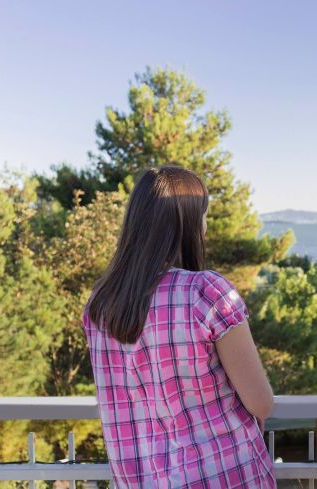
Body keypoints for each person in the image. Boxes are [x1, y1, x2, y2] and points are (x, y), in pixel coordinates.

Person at [83, 166, 276, 488]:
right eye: (203, 216)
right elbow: (261, 402)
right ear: (186, 222)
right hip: (222, 476)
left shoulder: (99, 306)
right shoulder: (206, 292)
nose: (205, 226)